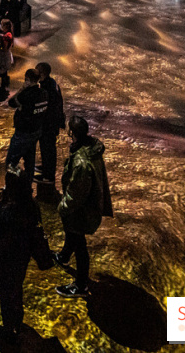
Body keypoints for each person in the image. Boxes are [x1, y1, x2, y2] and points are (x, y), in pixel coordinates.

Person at [0, 167, 53, 345]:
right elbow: (36, 235)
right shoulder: (31, 206)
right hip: (20, 261)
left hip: (5, 261)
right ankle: (17, 324)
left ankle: (9, 333)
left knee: (6, 296)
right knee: (15, 291)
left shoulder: (8, 212)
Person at [55, 116, 113, 298]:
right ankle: (64, 256)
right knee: (72, 234)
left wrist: (62, 207)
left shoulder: (81, 161)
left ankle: (81, 285)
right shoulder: (89, 148)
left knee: (79, 244)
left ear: (72, 133)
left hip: (81, 209)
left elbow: (77, 194)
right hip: (86, 205)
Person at [5, 69, 49, 186]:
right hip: (35, 131)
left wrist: (21, 89)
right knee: (30, 161)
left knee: (11, 162)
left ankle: (10, 187)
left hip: (23, 132)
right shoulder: (44, 93)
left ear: (28, 80)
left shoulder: (26, 94)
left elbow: (11, 102)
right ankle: (28, 186)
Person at [35, 62, 66, 190]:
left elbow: (49, 107)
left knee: (48, 148)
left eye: (37, 71)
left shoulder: (46, 87)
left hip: (49, 124)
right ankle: (46, 167)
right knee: (47, 148)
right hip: (52, 122)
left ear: (42, 73)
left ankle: (48, 176)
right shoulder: (51, 83)